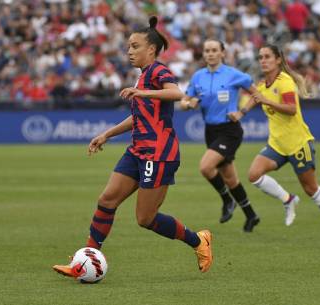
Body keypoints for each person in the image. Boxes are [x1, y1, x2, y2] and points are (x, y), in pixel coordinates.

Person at [53, 17, 213, 278]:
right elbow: (139, 116)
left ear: (151, 49)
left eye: (135, 46)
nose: (129, 51)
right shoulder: (142, 79)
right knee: (107, 199)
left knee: (145, 219)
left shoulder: (158, 71)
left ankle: (199, 241)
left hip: (159, 154)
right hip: (137, 150)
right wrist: (107, 134)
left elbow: (176, 93)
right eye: (128, 46)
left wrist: (144, 93)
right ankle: (85, 261)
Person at [230, 44, 320, 241]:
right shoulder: (262, 84)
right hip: (277, 144)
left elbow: (291, 108)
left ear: (278, 60)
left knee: (311, 189)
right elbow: (256, 97)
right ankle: (288, 199)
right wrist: (241, 113)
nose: (263, 60)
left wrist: (267, 102)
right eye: (260, 57)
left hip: (298, 143)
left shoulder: (285, 82)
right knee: (254, 175)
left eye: (267, 56)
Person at [180, 39, 260, 232]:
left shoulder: (234, 74)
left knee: (206, 167)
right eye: (207, 50)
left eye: (214, 50)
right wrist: (187, 104)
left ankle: (227, 201)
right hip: (211, 131)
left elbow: (257, 94)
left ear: (222, 53)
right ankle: (251, 215)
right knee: (230, 179)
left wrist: (242, 112)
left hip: (229, 130)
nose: (210, 54)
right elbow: (184, 100)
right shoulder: (198, 76)